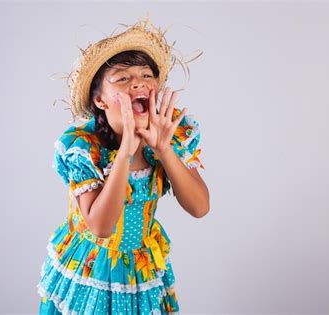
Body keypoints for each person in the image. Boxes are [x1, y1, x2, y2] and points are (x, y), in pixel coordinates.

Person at [37, 15, 210, 314]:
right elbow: (101, 226)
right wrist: (127, 151)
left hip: (141, 269)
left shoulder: (171, 132)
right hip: (92, 269)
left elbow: (200, 207)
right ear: (100, 100)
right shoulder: (82, 146)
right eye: (123, 78)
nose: (138, 83)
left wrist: (164, 149)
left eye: (146, 75)